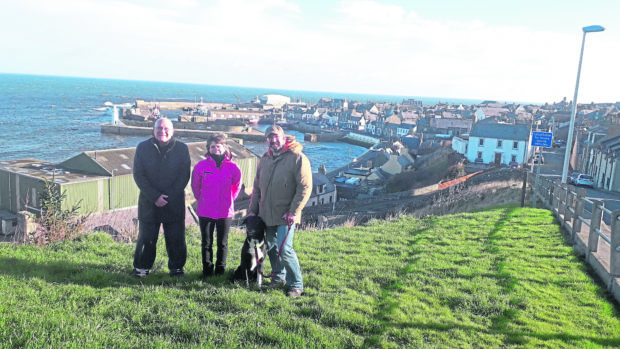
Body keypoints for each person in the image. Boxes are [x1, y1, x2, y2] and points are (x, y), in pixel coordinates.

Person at [248, 125, 312, 297]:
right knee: (272, 249)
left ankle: (296, 284)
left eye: (276, 137)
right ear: (266, 140)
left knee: (285, 250)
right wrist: (252, 211)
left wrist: (293, 211)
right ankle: (278, 279)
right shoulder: (265, 160)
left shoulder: (297, 158)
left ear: (284, 138)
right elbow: (257, 188)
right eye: (270, 137)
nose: (273, 140)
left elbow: (305, 187)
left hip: (287, 215)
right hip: (266, 214)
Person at [131, 118, 191, 278]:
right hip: (149, 202)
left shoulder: (182, 149)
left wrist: (168, 196)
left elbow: (184, 176)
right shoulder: (142, 147)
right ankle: (141, 269)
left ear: (173, 131)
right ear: (153, 129)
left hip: (174, 202)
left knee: (176, 238)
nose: (162, 131)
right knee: (146, 238)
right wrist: (155, 196)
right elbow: (138, 175)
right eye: (159, 128)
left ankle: (177, 269)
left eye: (166, 128)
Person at [191, 133, 242, 278]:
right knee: (206, 242)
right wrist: (203, 199)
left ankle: (220, 270)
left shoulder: (233, 167)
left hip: (225, 211)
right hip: (205, 210)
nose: (216, 149)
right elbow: (195, 186)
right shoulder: (201, 166)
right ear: (208, 148)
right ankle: (207, 270)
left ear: (224, 147)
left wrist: (229, 199)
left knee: (222, 243)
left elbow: (237, 186)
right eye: (212, 147)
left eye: (218, 146)